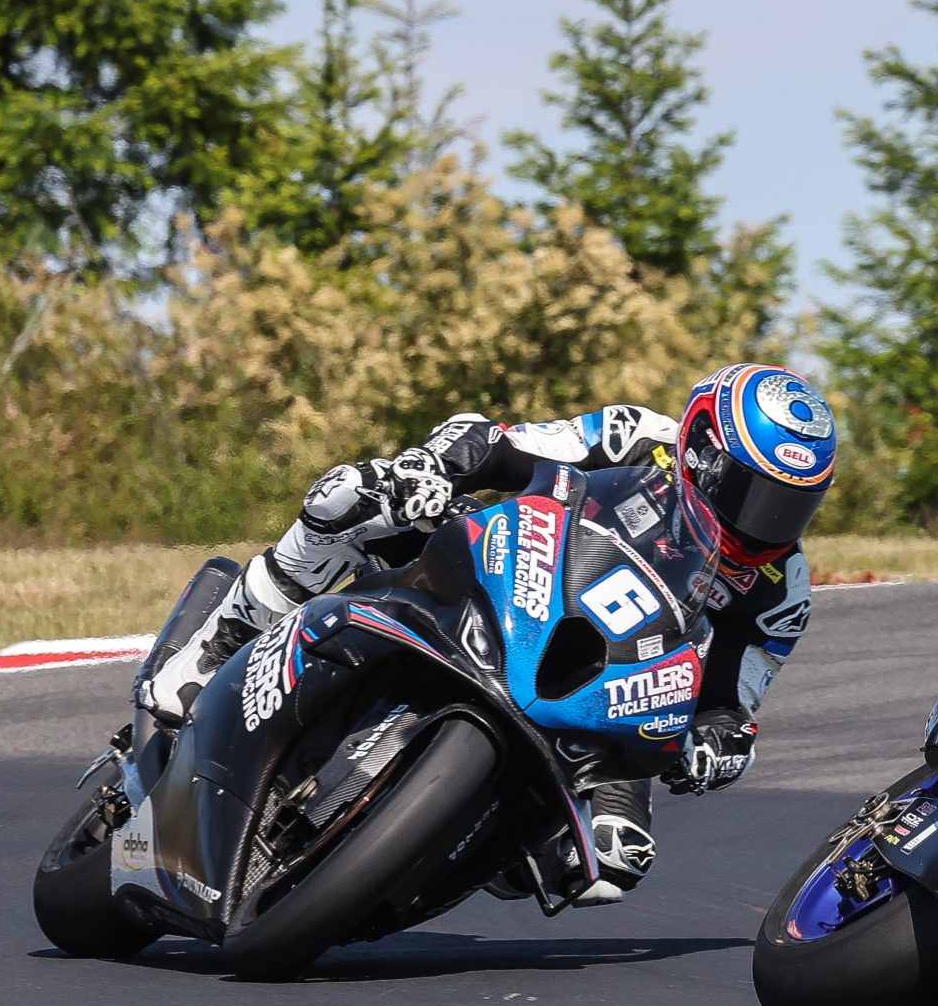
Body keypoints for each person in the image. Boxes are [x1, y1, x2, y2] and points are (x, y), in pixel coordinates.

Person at [143, 363, 837, 904]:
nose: (769, 522)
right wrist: (432, 468)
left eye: (792, 505)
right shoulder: (637, 437)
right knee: (347, 497)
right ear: (704, 452)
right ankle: (224, 639)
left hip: (604, 686)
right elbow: (503, 444)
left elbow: (735, 702)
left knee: (610, 862)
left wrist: (719, 746)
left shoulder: (782, 588)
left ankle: (432, 850)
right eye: (755, 493)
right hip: (507, 572)